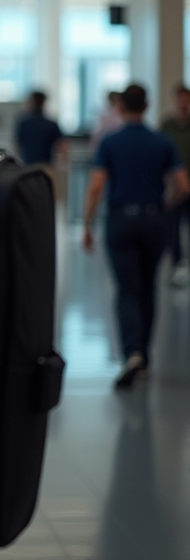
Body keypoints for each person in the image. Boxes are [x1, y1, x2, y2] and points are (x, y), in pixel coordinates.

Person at [83, 84, 189, 389]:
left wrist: (88, 225)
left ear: (119, 107)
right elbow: (182, 184)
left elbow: (95, 186)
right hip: (154, 219)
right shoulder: (161, 141)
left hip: (120, 220)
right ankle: (145, 357)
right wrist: (164, 205)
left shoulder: (110, 142)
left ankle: (132, 352)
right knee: (148, 288)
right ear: (148, 105)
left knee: (126, 289)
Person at [159, 84, 190, 284]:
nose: (182, 104)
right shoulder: (167, 126)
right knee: (172, 228)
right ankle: (178, 265)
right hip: (174, 187)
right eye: (179, 99)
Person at [15, 91, 65, 166]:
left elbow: (17, 146)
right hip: (45, 167)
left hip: (28, 166)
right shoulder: (51, 124)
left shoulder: (23, 124)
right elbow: (61, 146)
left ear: (32, 102)